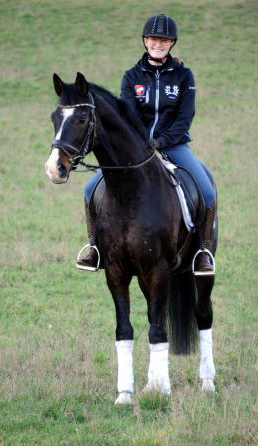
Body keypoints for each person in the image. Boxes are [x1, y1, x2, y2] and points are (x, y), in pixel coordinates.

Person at [76, 13, 216, 275]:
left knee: (207, 192)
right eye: (153, 38)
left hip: (174, 146)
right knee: (89, 189)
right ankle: (94, 246)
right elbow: (128, 115)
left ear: (172, 42)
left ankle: (203, 251)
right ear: (144, 40)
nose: (158, 43)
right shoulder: (131, 76)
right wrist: (141, 143)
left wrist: (161, 141)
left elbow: (184, 119)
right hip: (138, 149)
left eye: (163, 40)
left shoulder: (184, 77)